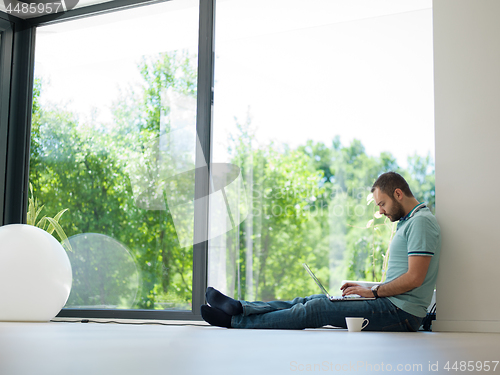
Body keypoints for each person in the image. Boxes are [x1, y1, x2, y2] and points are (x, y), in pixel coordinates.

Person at [201, 172, 441, 331]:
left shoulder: (420, 222)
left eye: (382, 204)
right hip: (391, 304)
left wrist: (374, 292)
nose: (380, 212)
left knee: (318, 309)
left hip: (402, 314)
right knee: (312, 300)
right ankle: (242, 307)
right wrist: (367, 289)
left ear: (398, 194)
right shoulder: (407, 222)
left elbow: (414, 278)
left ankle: (236, 321)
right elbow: (402, 278)